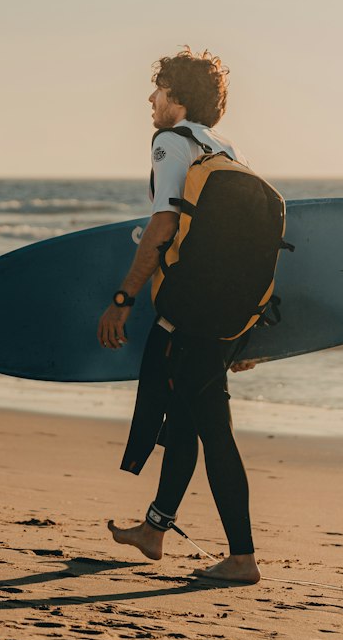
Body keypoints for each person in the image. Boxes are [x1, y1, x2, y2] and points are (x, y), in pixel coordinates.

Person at [97, 47, 261, 585]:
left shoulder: (171, 143)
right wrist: (243, 329)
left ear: (178, 98)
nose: (150, 98)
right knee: (189, 420)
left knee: (213, 428)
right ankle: (154, 529)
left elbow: (164, 226)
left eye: (159, 89)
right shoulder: (226, 151)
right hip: (222, 312)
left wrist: (123, 298)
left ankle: (242, 558)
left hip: (190, 311)